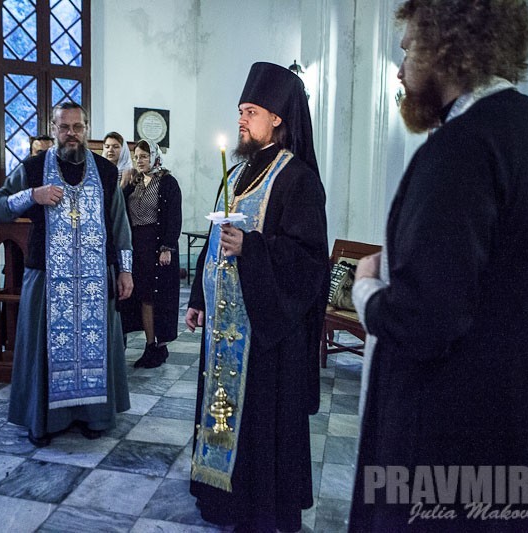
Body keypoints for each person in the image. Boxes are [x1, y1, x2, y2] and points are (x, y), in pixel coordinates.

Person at [348, 1, 528, 531]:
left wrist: (365, 289)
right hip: (516, 447)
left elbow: (423, 320)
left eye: (409, 47)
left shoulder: (461, 150)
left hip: (445, 453)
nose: (400, 68)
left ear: (444, 43)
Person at [185, 62, 329, 532]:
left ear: (277, 118)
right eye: (240, 111)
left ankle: (255, 503)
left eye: (251, 112)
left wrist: (253, 248)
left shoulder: (298, 178)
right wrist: (198, 298)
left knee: (258, 422)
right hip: (223, 326)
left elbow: (309, 259)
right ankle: (218, 495)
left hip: (264, 338)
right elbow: (212, 241)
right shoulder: (237, 172)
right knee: (220, 411)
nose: (241, 119)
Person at [0, 102, 134, 447]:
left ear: (86, 129)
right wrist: (32, 196)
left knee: (95, 347)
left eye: (77, 127)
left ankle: (94, 416)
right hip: (47, 279)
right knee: (45, 349)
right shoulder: (33, 168)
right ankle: (45, 421)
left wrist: (125, 270)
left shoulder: (105, 170)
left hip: (97, 279)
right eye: (64, 127)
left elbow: (119, 223)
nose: (72, 134)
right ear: (53, 129)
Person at [119, 140, 182, 368]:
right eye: (136, 157)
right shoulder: (134, 183)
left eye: (144, 156)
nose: (140, 161)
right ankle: (150, 345)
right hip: (138, 247)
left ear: (154, 156)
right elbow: (119, 207)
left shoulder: (167, 182)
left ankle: (160, 346)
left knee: (158, 298)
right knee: (143, 297)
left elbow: (173, 216)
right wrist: (123, 183)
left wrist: (167, 247)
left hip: (157, 246)